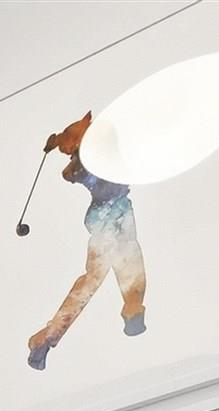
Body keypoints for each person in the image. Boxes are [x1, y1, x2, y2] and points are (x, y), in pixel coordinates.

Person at [27, 112, 146, 370]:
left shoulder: (101, 155)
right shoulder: (85, 165)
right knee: (95, 280)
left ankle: (133, 312)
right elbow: (72, 169)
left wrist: (59, 139)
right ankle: (46, 338)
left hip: (120, 214)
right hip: (107, 220)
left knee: (129, 271)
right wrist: (64, 142)